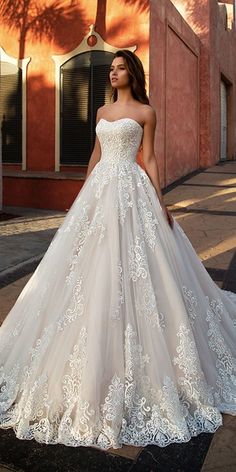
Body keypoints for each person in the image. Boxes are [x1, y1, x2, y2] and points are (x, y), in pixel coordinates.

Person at [0, 50, 236, 451]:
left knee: (140, 268)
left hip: (133, 190)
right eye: (110, 68)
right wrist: (84, 198)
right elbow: (95, 155)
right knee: (85, 271)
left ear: (133, 73)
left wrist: (161, 202)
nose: (113, 72)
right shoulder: (99, 113)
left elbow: (149, 158)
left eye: (120, 67)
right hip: (100, 191)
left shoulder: (146, 112)